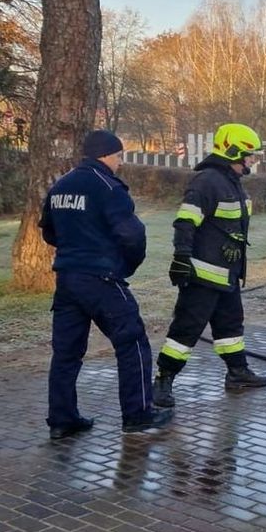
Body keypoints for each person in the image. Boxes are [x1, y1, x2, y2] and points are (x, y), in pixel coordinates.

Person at [39, 130, 174, 438]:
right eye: (119, 156)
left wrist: (73, 248)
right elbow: (132, 235)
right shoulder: (108, 187)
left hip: (67, 279)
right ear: (105, 155)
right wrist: (127, 263)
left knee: (66, 353)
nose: (121, 162)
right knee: (133, 341)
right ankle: (138, 414)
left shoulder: (61, 184)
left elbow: (48, 231)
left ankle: (62, 419)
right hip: (101, 279)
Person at [152, 123, 266, 408]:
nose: (253, 160)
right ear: (232, 152)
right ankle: (163, 380)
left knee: (230, 326)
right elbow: (186, 221)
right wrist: (181, 257)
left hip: (227, 274)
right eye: (249, 154)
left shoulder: (231, 181)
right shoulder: (206, 181)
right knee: (186, 329)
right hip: (203, 275)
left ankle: (237, 372)